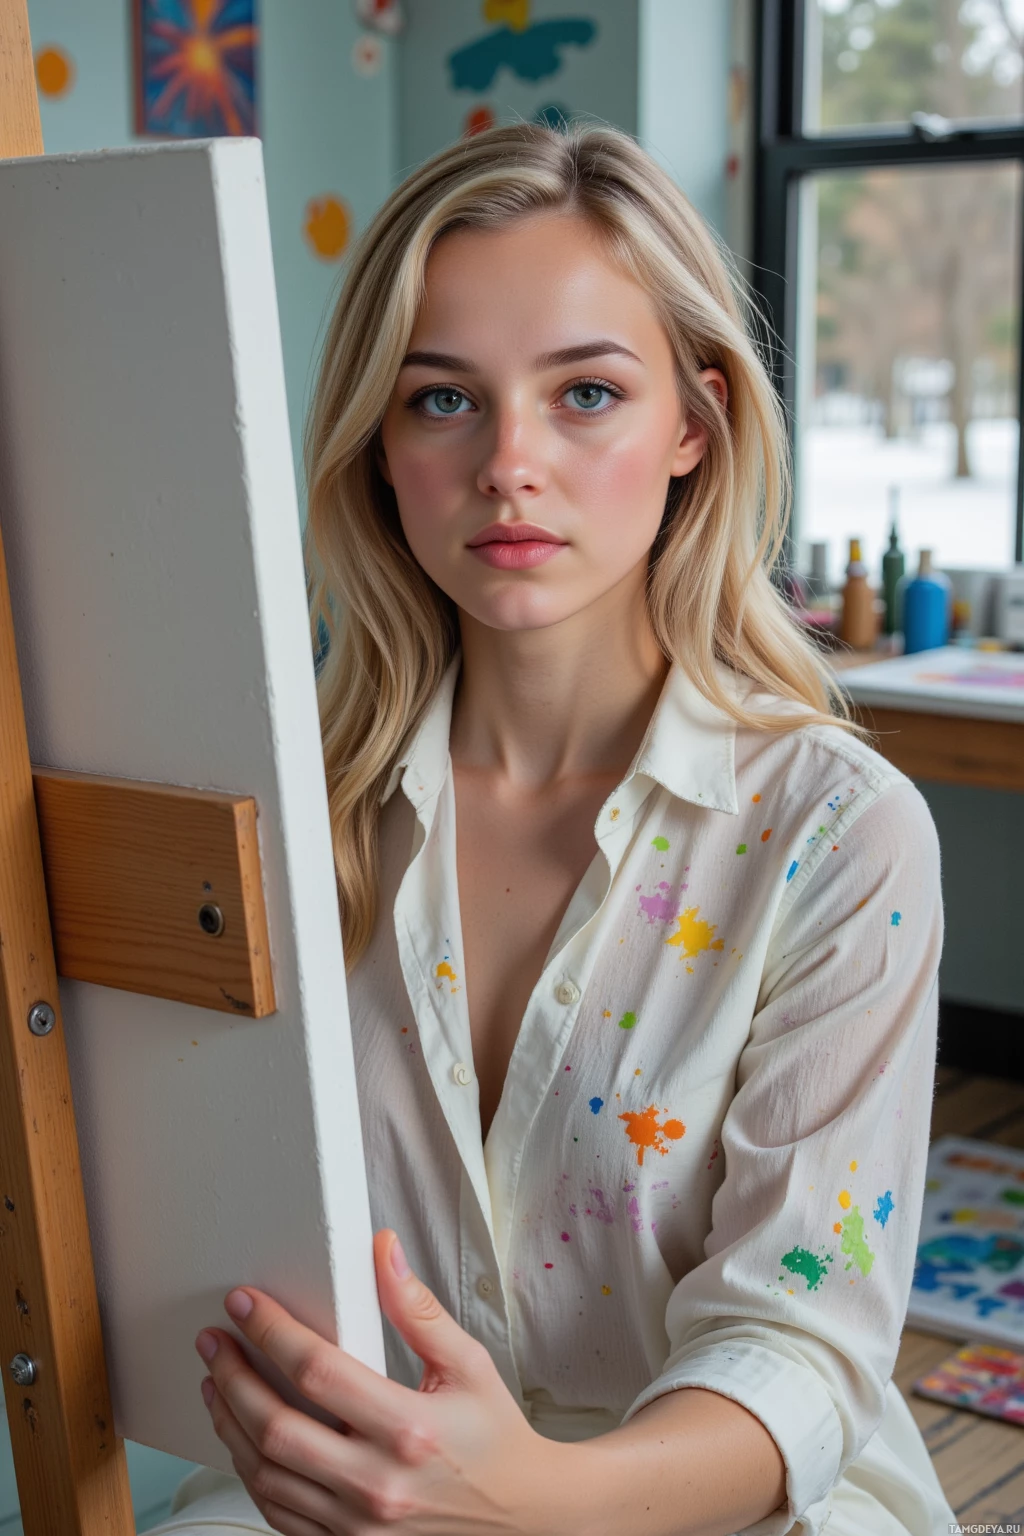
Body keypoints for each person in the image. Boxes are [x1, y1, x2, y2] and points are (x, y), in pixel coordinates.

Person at [151, 122, 957, 1536]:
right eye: (444, 401)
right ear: (380, 446)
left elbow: (799, 1350)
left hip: (724, 1506)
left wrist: (527, 1500)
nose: (511, 463)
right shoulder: (282, 819)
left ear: (695, 427)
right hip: (366, 1489)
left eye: (586, 392)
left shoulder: (840, 834)